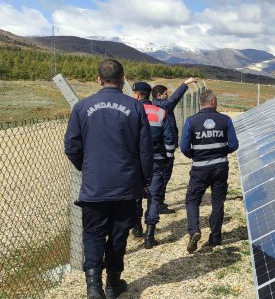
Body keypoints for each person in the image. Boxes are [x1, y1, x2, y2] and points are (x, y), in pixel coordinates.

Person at [64, 59, 153, 299]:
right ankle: (113, 284)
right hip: (125, 184)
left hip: (95, 185)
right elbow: (145, 150)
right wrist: (144, 181)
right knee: (118, 234)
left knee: (93, 233)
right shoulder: (135, 108)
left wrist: (89, 168)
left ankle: (94, 288)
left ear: (98, 80)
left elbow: (72, 147)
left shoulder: (82, 107)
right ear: (123, 79)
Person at [179, 89, 239, 253]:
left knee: (192, 200)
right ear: (213, 101)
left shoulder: (191, 121)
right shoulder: (225, 120)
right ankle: (215, 237)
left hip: (199, 169)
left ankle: (194, 231)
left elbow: (184, 147)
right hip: (220, 167)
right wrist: (221, 152)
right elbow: (234, 145)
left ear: (201, 102)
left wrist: (195, 155)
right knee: (217, 202)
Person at [130, 81, 169, 249]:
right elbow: (169, 137)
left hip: (135, 160)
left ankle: (136, 227)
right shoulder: (160, 112)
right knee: (153, 196)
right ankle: (149, 234)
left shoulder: (129, 111)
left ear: (137, 95)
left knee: (135, 195)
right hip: (157, 158)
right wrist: (168, 156)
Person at [150, 77, 198, 214]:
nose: (168, 96)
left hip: (153, 149)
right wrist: (185, 84)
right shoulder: (162, 106)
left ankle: (156, 201)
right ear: (159, 95)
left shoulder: (150, 106)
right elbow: (174, 99)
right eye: (166, 94)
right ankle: (158, 203)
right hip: (164, 150)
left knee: (157, 176)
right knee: (163, 176)